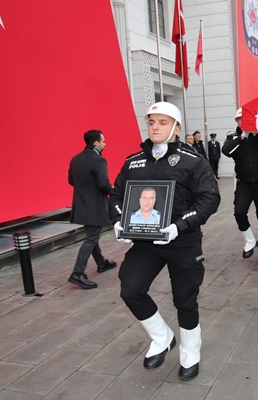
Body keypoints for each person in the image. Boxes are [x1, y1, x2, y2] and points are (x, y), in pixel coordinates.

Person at [109, 102, 220, 381]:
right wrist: (120, 222)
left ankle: (190, 352)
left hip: (182, 241)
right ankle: (162, 337)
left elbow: (209, 198)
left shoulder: (192, 160)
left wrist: (180, 225)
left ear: (176, 128)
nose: (155, 127)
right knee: (130, 289)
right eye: (151, 122)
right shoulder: (134, 161)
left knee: (185, 299)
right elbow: (117, 196)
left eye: (162, 122)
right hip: (146, 241)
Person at [223, 108, 258, 267]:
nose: (243, 121)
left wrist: (256, 135)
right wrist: (242, 137)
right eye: (240, 119)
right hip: (245, 183)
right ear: (237, 121)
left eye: (246, 118)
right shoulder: (234, 137)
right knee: (239, 212)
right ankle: (249, 240)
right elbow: (227, 151)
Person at [67, 130, 117, 290]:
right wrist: (114, 192)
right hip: (94, 206)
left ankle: (101, 263)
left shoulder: (75, 159)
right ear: (96, 143)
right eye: (103, 141)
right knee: (91, 239)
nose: (105, 144)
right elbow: (104, 184)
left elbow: (71, 180)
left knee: (92, 236)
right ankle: (77, 273)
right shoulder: (98, 160)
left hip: (81, 204)